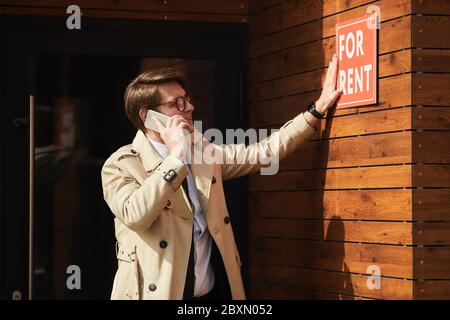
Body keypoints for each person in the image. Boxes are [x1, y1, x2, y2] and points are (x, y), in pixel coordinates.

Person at [101, 54, 342, 300]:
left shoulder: (201, 153)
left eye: (188, 100)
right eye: (177, 103)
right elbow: (135, 215)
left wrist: (317, 109)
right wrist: (174, 159)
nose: (190, 108)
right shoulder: (121, 165)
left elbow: (261, 153)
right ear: (147, 116)